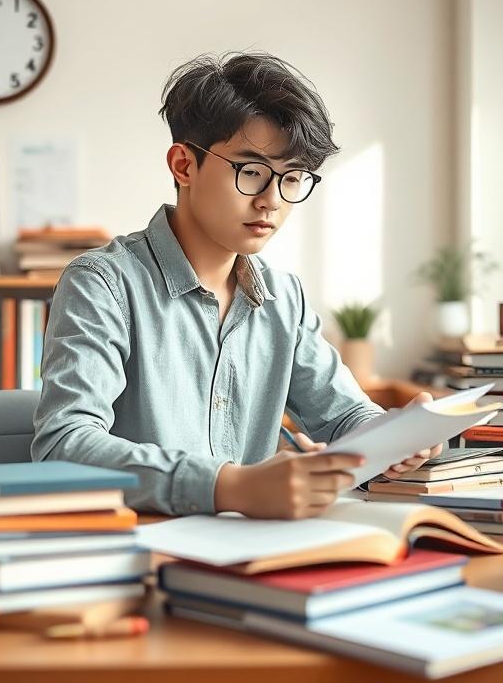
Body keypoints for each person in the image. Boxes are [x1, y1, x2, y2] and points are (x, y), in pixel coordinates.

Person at [31, 52, 441, 518]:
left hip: (255, 555)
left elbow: (346, 417)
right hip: (141, 557)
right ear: (184, 166)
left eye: (292, 178)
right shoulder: (103, 284)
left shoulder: (284, 299)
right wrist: (229, 487)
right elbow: (63, 445)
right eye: (251, 172)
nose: (271, 200)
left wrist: (396, 438)